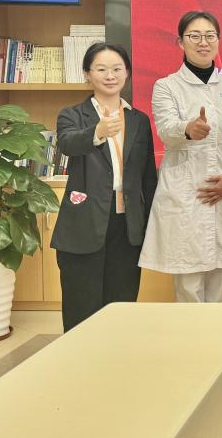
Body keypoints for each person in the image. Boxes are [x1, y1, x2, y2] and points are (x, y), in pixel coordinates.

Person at [139, 11, 222, 302]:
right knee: (189, 285)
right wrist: (187, 129)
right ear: (180, 42)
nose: (203, 42)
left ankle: (217, 334)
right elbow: (166, 129)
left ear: (218, 41)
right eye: (195, 36)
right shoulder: (166, 87)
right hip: (186, 195)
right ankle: (193, 334)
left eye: (209, 36)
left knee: (217, 282)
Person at [52, 43, 157, 332]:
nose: (110, 76)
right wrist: (97, 132)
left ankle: (116, 355)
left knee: (121, 303)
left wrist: (150, 223)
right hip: (84, 223)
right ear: (87, 74)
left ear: (127, 73)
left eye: (117, 69)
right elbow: (68, 144)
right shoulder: (72, 115)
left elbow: (148, 176)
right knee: (81, 305)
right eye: (101, 69)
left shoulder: (138, 119)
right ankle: (80, 358)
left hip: (128, 224)